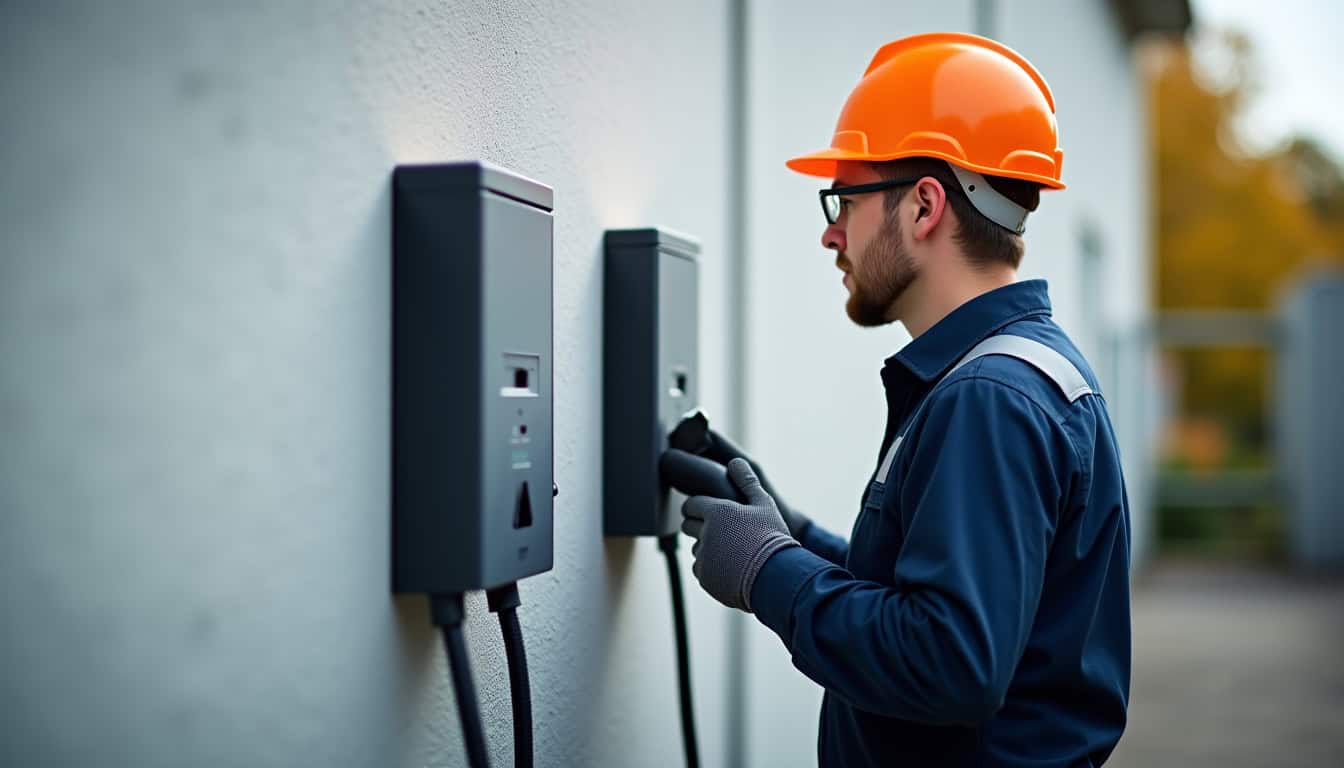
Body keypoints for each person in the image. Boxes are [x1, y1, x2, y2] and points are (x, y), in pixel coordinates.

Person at [674, 32, 1131, 766]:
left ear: (923, 206)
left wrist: (769, 573)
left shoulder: (988, 398)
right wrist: (793, 536)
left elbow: (949, 663)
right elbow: (939, 596)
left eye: (844, 199)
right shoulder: (1016, 374)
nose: (831, 233)